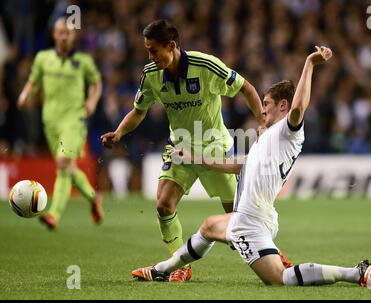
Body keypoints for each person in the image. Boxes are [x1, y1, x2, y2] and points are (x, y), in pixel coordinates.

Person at [131, 46, 371, 288]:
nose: (261, 111)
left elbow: (299, 106)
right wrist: (195, 158)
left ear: (282, 106)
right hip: (252, 216)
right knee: (209, 226)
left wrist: (310, 64)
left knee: (279, 279)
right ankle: (162, 269)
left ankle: (355, 273)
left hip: (251, 222)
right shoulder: (267, 138)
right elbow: (237, 166)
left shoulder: (288, 131)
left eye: (266, 105)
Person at [101, 19, 294, 282]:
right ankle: (179, 265)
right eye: (147, 50)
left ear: (172, 46)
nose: (150, 56)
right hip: (180, 148)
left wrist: (262, 123)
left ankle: (275, 254)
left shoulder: (206, 66)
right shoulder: (151, 75)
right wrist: (119, 132)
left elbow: (246, 88)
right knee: (163, 205)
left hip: (215, 148)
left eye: (154, 50)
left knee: (237, 219)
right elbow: (139, 111)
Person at [17, 17, 104, 230]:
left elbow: (96, 83)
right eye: (60, 32)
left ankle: (53, 214)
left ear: (73, 36)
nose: (64, 36)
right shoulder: (43, 58)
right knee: (69, 167)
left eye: (68, 33)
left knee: (63, 165)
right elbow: (33, 80)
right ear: (54, 35)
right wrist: (25, 94)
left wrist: (91, 101)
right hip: (51, 121)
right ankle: (94, 198)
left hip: (74, 120)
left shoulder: (83, 60)